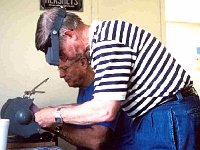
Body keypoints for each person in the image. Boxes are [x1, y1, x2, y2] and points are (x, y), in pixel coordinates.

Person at [34, 7, 200, 149]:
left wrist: (54, 115)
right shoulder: (103, 40)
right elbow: (97, 102)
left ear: (70, 35)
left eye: (61, 54)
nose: (63, 61)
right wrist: (48, 111)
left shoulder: (107, 41)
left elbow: (105, 110)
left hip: (166, 114)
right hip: (159, 115)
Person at [45, 55, 133, 149]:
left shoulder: (104, 89)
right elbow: (79, 109)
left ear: (83, 63)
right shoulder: (84, 87)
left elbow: (96, 141)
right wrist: (48, 112)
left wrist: (52, 124)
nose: (61, 75)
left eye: (65, 69)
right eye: (59, 69)